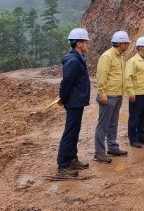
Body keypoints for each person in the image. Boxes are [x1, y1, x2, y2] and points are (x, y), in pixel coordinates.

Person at [56, 28, 91, 178]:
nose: (88, 44)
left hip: (77, 101)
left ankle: (72, 159)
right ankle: (63, 165)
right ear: (79, 43)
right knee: (70, 133)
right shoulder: (73, 60)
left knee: (74, 132)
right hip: (73, 102)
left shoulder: (78, 58)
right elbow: (67, 82)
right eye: (86, 42)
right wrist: (63, 98)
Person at [94, 30, 131, 163]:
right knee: (103, 125)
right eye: (126, 43)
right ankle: (99, 152)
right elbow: (101, 76)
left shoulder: (120, 56)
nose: (128, 45)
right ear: (121, 43)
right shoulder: (107, 56)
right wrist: (103, 94)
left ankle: (112, 147)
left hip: (117, 94)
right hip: (108, 96)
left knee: (113, 123)